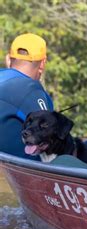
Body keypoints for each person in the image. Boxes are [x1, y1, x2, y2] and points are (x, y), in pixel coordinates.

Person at [0, 33, 53, 161]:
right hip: (16, 173)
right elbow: (52, 137)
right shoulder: (31, 90)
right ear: (42, 63)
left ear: (8, 59)